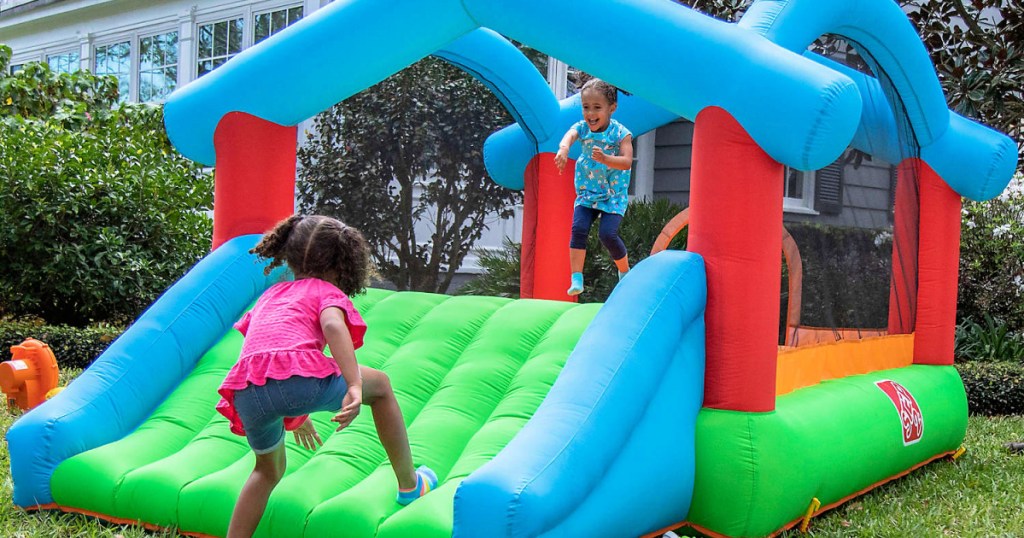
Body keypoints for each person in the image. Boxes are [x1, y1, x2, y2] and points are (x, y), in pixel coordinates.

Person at [215, 215, 436, 538]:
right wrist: (355, 385)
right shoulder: (323, 291)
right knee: (382, 386)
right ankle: (409, 484)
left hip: (248, 390)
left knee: (266, 471)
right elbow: (333, 326)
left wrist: (293, 409)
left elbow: (264, 351)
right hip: (294, 382)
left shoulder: (271, 296)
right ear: (343, 263)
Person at [554, 78, 634, 296]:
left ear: (612, 108)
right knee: (578, 229)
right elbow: (569, 136)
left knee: (607, 234)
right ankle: (576, 278)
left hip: (612, 195)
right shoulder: (582, 128)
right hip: (588, 193)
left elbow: (627, 161)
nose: (590, 114)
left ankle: (625, 271)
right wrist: (563, 149)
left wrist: (607, 159)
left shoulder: (621, 133)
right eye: (586, 107)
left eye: (597, 108)